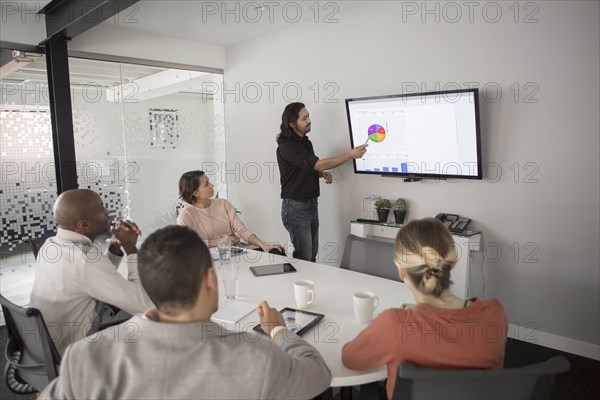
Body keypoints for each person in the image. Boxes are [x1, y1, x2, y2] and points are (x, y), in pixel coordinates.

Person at [39, 225, 332, 399]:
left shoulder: (84, 357)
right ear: (209, 280)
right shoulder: (258, 358)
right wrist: (279, 331)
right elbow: (318, 374)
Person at [342, 218, 507, 399]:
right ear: (452, 264)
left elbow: (350, 358)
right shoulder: (495, 313)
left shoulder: (395, 325)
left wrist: (411, 317)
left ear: (401, 271)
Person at [29, 189, 153, 355]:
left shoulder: (50, 245)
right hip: (71, 356)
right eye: (102, 209)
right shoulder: (85, 258)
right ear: (83, 225)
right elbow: (144, 305)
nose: (107, 212)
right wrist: (130, 248)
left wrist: (115, 246)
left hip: (40, 349)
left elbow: (90, 279)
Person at [276, 102, 367, 262]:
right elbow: (317, 163)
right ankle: (299, 286)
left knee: (311, 257)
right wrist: (349, 155)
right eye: (304, 118)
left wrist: (321, 174)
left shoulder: (305, 142)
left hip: (310, 206)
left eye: (308, 116)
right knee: (304, 259)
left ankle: (308, 286)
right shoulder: (287, 147)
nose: (309, 120)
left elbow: (306, 168)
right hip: (295, 208)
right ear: (292, 124)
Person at [177, 170, 285, 254]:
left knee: (277, 251)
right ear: (195, 192)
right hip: (212, 259)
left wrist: (262, 244)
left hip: (237, 251)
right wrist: (217, 242)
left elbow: (241, 229)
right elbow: (186, 244)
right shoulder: (186, 215)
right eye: (206, 184)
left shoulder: (222, 204)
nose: (212, 185)